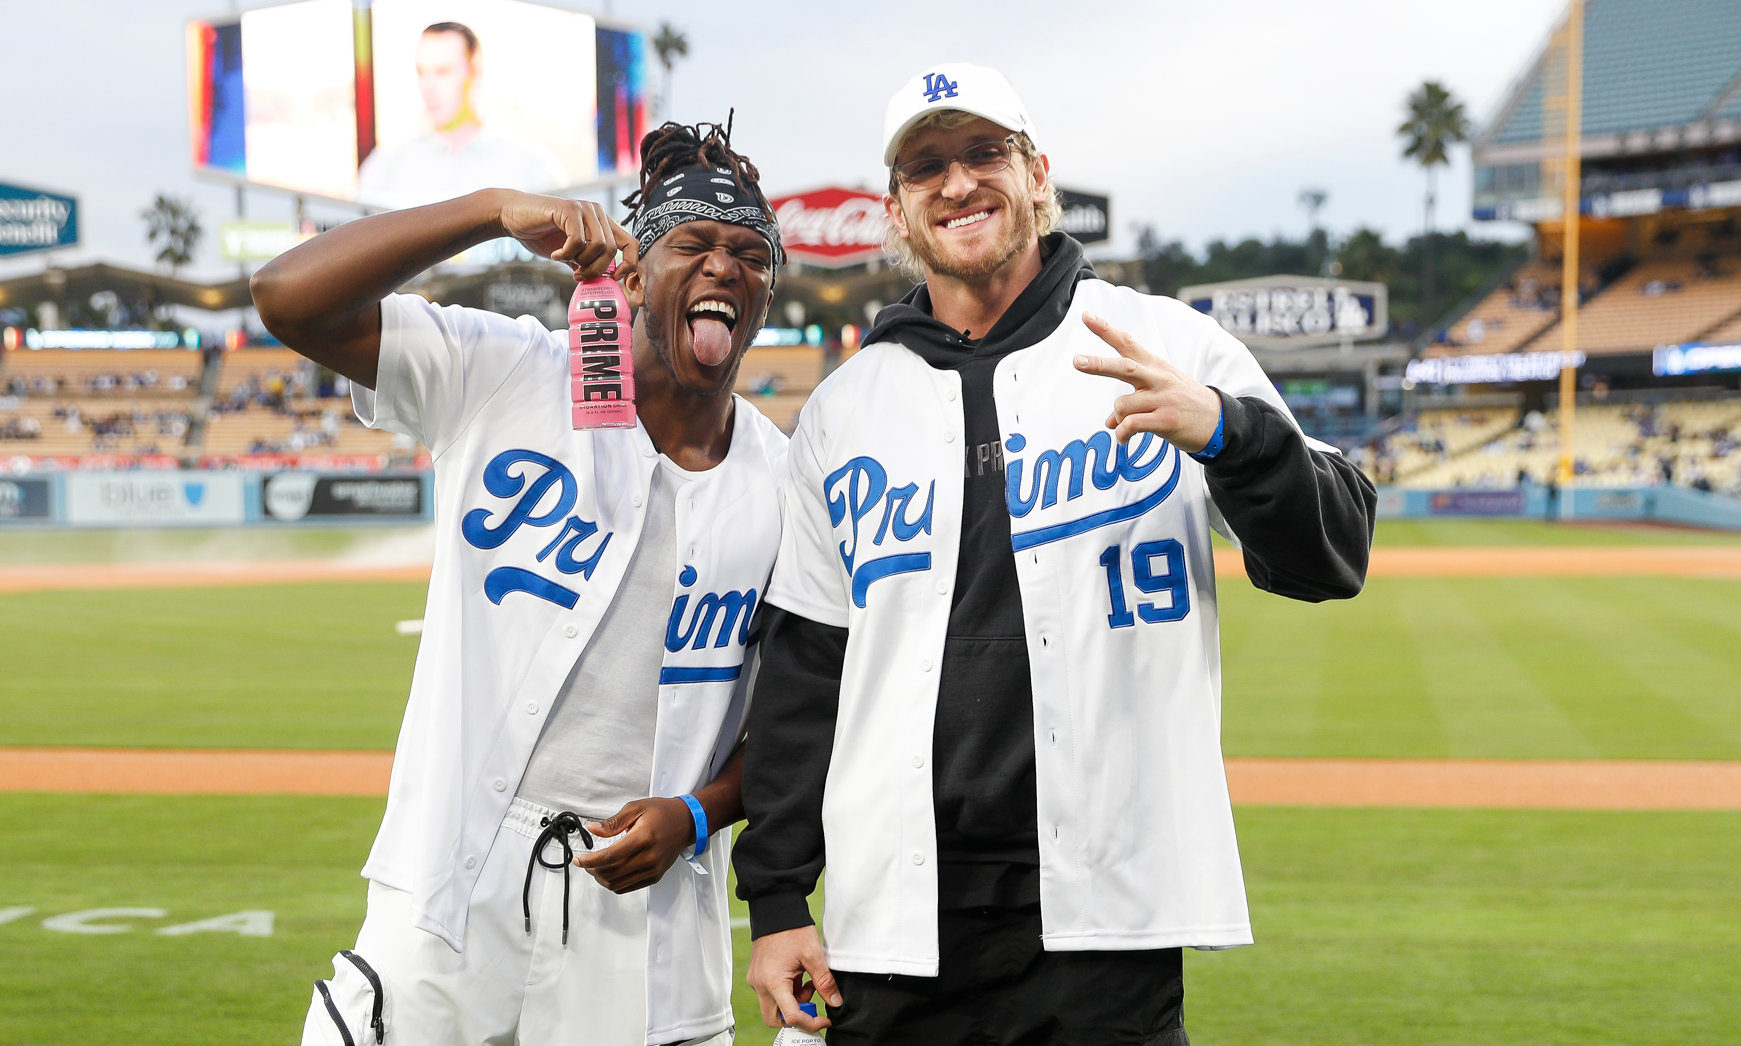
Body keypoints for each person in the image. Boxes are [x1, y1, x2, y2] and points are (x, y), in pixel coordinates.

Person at [734, 64, 1376, 1044]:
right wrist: (777, 896)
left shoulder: (1165, 344)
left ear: (1038, 174)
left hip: (1105, 922)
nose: (957, 183)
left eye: (984, 153)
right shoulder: (845, 409)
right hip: (893, 918)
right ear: (898, 211)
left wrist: (1230, 434)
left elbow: (1334, 551)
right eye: (926, 166)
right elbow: (806, 671)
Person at [253, 117, 788, 1046]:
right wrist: (492, 209)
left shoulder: (786, 482)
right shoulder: (506, 373)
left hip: (648, 922)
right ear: (630, 272)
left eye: (748, 253)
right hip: (449, 902)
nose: (722, 268)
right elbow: (288, 297)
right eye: (692, 244)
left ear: (768, 291)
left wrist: (702, 813)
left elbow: (796, 711)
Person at [357, 21, 569, 208]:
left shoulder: (531, 167)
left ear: (475, 72)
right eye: (421, 72)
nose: (428, 87)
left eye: (443, 72)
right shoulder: (385, 170)